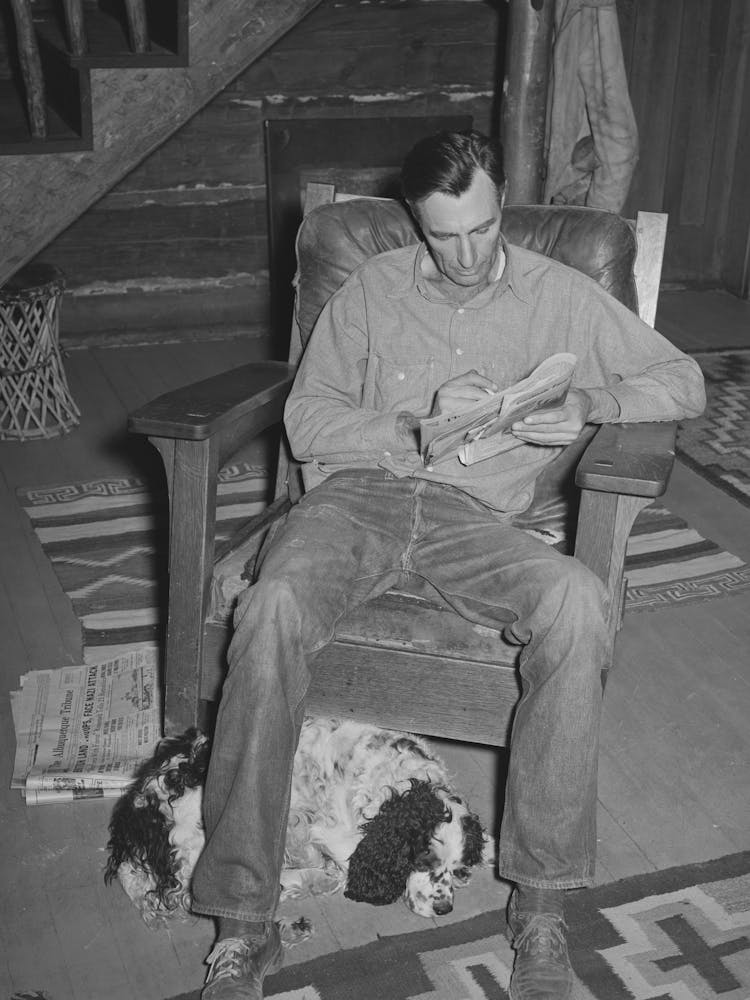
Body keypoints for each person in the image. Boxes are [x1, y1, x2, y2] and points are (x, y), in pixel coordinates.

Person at [190, 129, 705, 1000]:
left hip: (475, 520)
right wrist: (412, 427)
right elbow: (308, 420)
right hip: (357, 500)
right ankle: (244, 925)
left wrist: (590, 401)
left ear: (502, 203)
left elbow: (683, 380)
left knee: (577, 603)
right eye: (444, 235)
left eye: (485, 227)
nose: (468, 254)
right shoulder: (372, 290)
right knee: (271, 606)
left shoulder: (562, 294)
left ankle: (540, 908)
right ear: (414, 224)